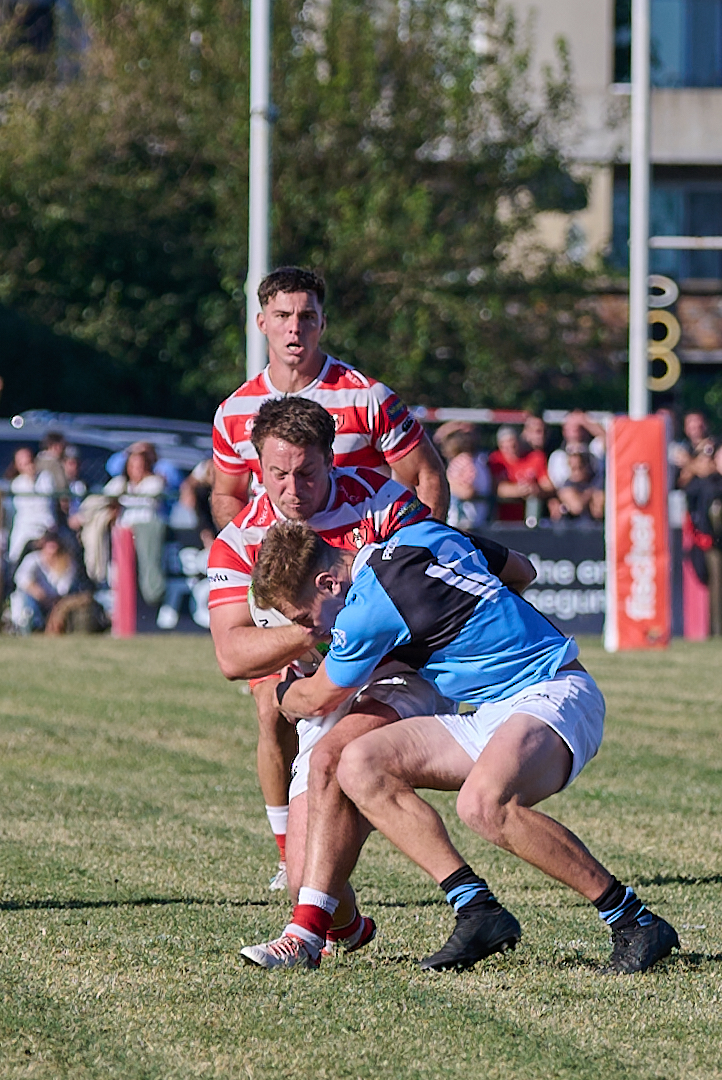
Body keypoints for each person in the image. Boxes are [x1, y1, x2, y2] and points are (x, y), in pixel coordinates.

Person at [241, 518, 679, 975]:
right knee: (359, 764)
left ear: (328, 582)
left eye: (304, 618)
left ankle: (634, 920)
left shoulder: (368, 607)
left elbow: (315, 698)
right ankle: (477, 911)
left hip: (555, 691)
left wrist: (277, 694)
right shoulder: (420, 535)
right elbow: (522, 570)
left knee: (483, 805)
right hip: (497, 708)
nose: (310, 631)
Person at [208, 396, 453, 900]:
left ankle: (470, 899)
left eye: (307, 474)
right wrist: (315, 627)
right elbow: (232, 654)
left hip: (398, 676)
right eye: (277, 474)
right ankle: (339, 919)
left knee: (338, 762)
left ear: (331, 459)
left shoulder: (382, 503)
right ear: (258, 464)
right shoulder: (238, 541)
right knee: (307, 878)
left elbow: (434, 587)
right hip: (320, 688)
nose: (291, 490)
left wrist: (350, 626)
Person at [211, 266, 448, 528]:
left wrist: (423, 550)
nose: (295, 328)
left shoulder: (368, 397)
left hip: (360, 558)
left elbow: (427, 475)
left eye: (307, 316)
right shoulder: (232, 411)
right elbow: (227, 494)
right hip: (284, 563)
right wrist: (249, 558)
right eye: (282, 315)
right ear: (261, 323)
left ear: (322, 323)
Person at [10, 529, 85, 633]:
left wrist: (52, 602)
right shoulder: (32, 559)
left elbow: (64, 589)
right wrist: (41, 595)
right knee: (23, 599)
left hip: (56, 603)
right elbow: (22, 580)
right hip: (35, 600)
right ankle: (29, 626)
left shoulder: (68, 563)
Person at [433, 422, 492, 533]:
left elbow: (467, 491)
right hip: (466, 518)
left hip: (464, 518)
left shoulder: (465, 461)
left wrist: (444, 483)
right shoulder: (475, 460)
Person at [488, 426, 555, 523]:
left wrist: (536, 489)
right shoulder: (495, 460)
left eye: (513, 445)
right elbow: (494, 487)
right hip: (502, 517)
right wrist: (519, 490)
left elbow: (548, 486)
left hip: (533, 517)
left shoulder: (536, 457)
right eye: (506, 447)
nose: (511, 449)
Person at [5, 447, 56, 567]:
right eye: (23, 463)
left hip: (47, 528)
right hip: (26, 529)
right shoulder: (17, 484)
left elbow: (46, 507)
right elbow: (27, 511)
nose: (29, 466)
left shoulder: (46, 478)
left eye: (30, 461)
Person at [556, 451, 604, 521]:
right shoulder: (566, 486)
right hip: (575, 527)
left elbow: (598, 511)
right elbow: (577, 507)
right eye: (574, 468)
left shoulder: (596, 481)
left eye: (580, 467)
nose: (577, 472)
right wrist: (590, 494)